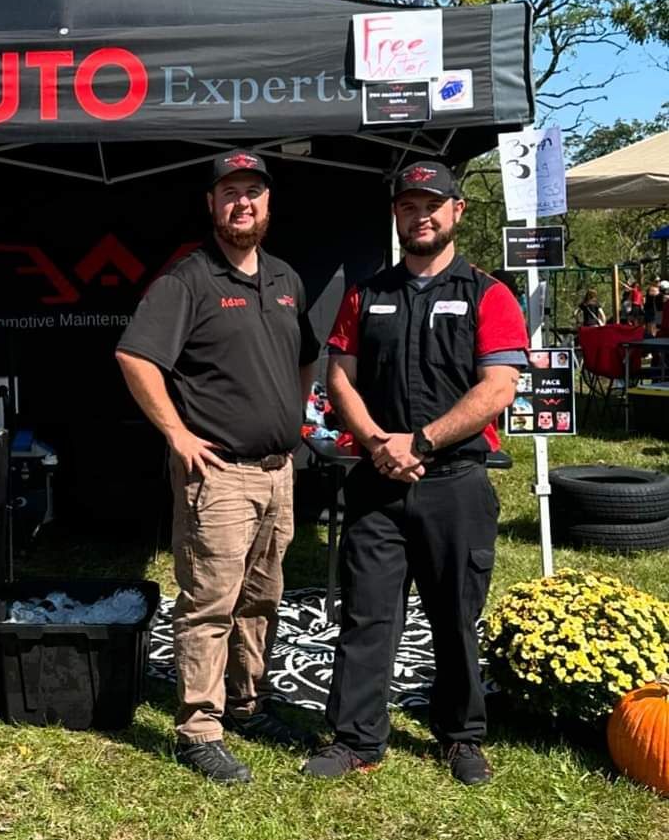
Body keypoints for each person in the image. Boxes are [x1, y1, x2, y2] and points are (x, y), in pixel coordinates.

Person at [301, 159, 527, 788]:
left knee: (455, 615)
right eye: (408, 206)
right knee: (368, 615)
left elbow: (500, 387)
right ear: (396, 215)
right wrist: (377, 441)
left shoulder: (488, 293)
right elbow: (338, 377)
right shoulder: (366, 294)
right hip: (376, 481)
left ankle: (460, 737)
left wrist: (421, 441)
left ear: (456, 212)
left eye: (432, 205)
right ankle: (357, 739)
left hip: (453, 482)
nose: (420, 215)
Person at [116, 150, 319, 783]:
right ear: (211, 204)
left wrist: (298, 409)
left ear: (269, 202)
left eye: (253, 192)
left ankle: (248, 702)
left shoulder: (286, 280)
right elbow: (135, 357)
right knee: (209, 603)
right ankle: (199, 727)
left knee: (262, 598)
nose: (243, 203)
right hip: (219, 476)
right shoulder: (189, 280)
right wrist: (176, 433)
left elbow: (305, 359)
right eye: (230, 193)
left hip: (278, 472)